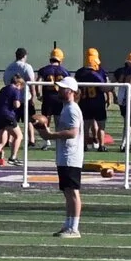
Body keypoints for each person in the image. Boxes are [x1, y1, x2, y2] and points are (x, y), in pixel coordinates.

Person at [50, 85, 85, 239]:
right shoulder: (66, 108)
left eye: (63, 88)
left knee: (73, 191)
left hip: (71, 156)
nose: (59, 90)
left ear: (71, 91)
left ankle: (74, 227)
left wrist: (52, 135)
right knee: (67, 192)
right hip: (65, 155)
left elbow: (73, 132)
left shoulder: (72, 109)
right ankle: (68, 224)